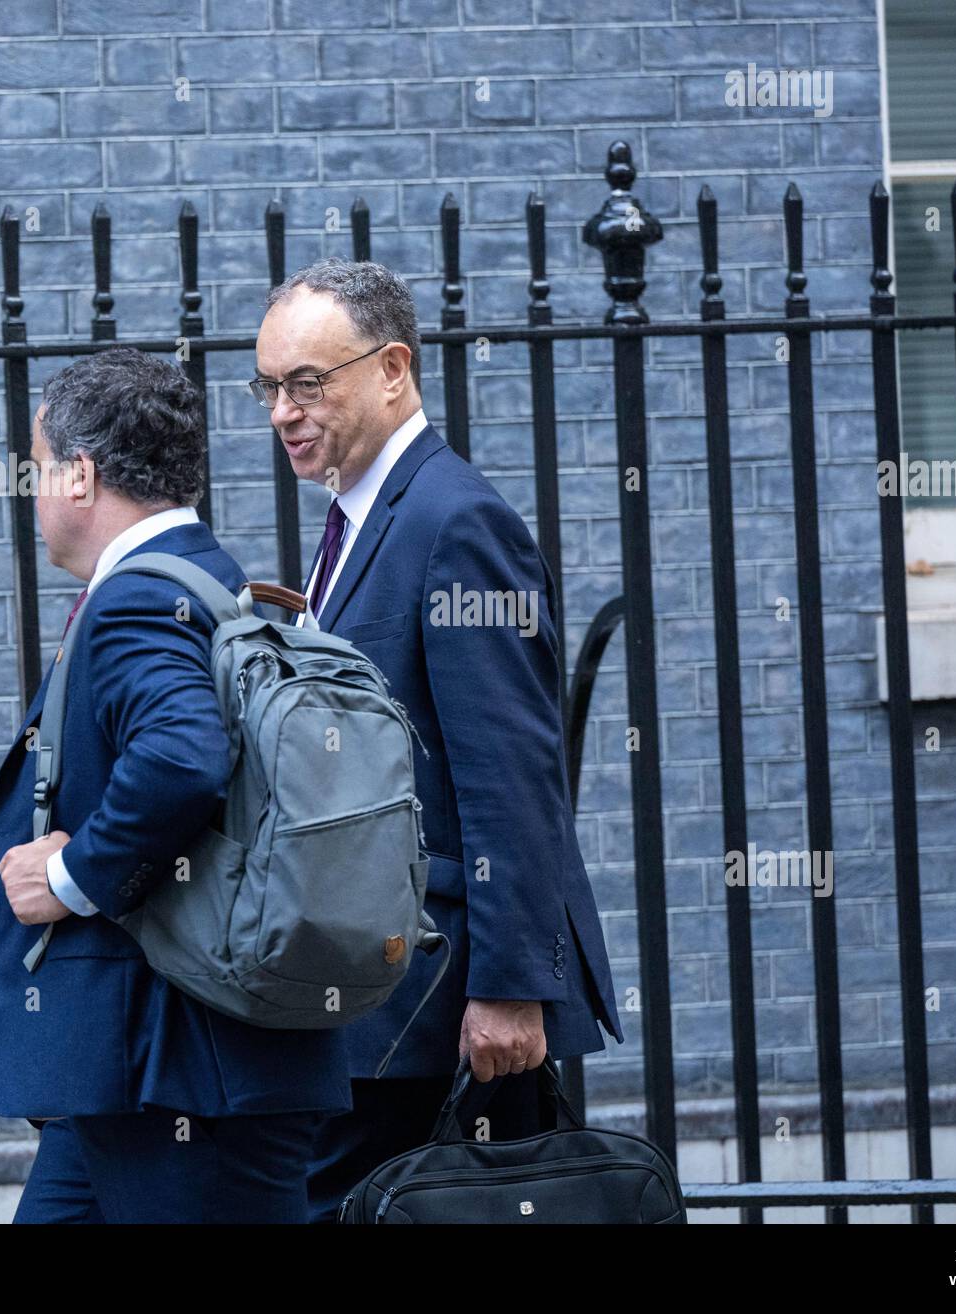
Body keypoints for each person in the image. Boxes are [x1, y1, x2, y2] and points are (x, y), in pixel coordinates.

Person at [249, 258, 625, 1223]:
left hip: (449, 1003)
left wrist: (509, 990)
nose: (283, 412)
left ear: (392, 369)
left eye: (307, 382)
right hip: (381, 1000)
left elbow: (513, 774)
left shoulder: (458, 522)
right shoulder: (361, 516)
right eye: (269, 386)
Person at [0, 347, 351, 1223]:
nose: (32, 493)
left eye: (38, 467)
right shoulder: (200, 574)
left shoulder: (139, 596)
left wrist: (69, 879)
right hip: (139, 1076)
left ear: (81, 476)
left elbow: (181, 757)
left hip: (181, 1076)